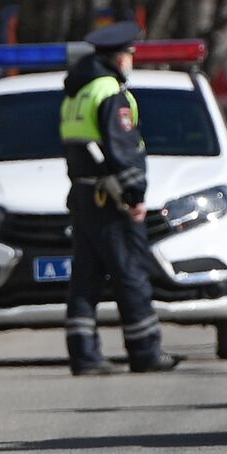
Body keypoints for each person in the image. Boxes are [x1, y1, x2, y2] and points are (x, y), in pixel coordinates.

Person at [59, 22, 181, 375]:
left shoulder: (77, 93)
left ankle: (84, 356)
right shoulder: (111, 92)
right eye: (130, 54)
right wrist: (134, 195)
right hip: (109, 198)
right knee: (131, 272)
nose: (131, 60)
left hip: (83, 195)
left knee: (85, 277)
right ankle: (145, 351)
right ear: (118, 57)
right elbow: (122, 149)